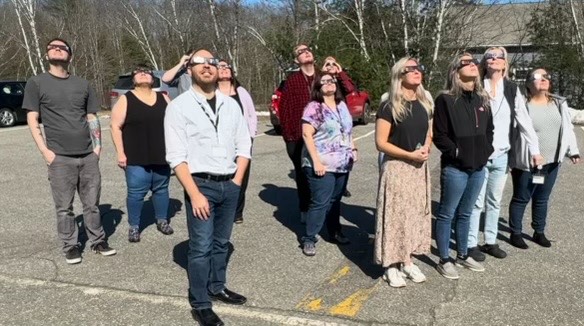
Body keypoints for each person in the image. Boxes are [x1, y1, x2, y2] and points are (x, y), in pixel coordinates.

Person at [164, 49, 251, 326]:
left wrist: (237, 181)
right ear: (189, 70)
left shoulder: (231, 104)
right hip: (200, 184)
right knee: (200, 247)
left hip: (229, 184)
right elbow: (176, 156)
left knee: (222, 242)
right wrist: (194, 193)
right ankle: (200, 302)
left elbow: (244, 145)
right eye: (199, 63)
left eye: (212, 62)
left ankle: (217, 286)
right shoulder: (179, 107)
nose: (207, 66)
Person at [23, 38, 116, 264]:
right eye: (52, 47)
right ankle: (71, 245)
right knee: (64, 208)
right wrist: (46, 152)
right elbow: (32, 118)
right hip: (59, 157)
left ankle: (98, 241)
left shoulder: (82, 84)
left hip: (88, 155)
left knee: (92, 204)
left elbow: (91, 116)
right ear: (47, 55)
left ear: (70, 56)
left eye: (62, 47)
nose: (57, 49)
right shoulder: (36, 83)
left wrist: (98, 147)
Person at [467, 47, 543, 262]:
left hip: (502, 155)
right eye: (488, 56)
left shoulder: (511, 89)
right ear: (484, 62)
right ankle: (471, 243)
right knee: (476, 202)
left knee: (494, 201)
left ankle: (490, 241)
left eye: (497, 56)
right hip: (479, 155)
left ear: (504, 63)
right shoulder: (476, 85)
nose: (493, 59)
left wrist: (535, 151)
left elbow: (524, 122)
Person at [433, 53, 493, 280]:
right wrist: (456, 152)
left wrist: (486, 150)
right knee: (447, 213)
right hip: (456, 168)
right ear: (455, 71)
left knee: (466, 213)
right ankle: (444, 259)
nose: (472, 65)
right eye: (465, 63)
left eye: (474, 62)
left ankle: (463, 254)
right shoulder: (445, 99)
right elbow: (440, 135)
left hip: (478, 167)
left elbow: (490, 130)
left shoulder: (482, 98)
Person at [374, 58, 433, 287]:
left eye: (419, 68)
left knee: (412, 216)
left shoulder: (424, 103)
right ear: (400, 74)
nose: (417, 72)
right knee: (395, 217)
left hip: (418, 168)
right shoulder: (390, 105)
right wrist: (409, 155)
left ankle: (407, 260)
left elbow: (430, 132)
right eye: (411, 69)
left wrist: (427, 147)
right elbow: (380, 143)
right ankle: (390, 264)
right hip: (397, 167)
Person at [508, 68, 580, 249]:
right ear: (528, 83)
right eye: (537, 77)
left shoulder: (558, 103)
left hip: (552, 161)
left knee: (542, 198)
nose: (543, 79)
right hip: (527, 161)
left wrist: (573, 151)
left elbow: (567, 128)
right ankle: (515, 233)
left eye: (546, 76)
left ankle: (539, 231)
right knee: (521, 197)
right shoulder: (522, 104)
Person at [110, 64, 174, 243]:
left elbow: (175, 124)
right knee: (136, 193)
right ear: (134, 80)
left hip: (161, 155)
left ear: (153, 79)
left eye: (147, 72)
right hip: (136, 156)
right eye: (138, 72)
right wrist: (120, 153)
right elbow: (115, 126)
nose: (143, 74)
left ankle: (162, 220)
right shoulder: (126, 99)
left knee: (161, 190)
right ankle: (134, 226)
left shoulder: (164, 98)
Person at [300, 72, 356, 256]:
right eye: (324, 81)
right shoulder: (314, 107)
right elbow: (307, 134)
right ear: (318, 87)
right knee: (320, 202)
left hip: (342, 163)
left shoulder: (342, 105)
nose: (329, 83)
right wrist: (316, 161)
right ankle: (309, 238)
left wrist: (353, 149)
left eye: (331, 80)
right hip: (321, 163)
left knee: (335, 200)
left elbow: (347, 131)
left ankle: (334, 232)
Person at [216, 59, 258, 224]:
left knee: (242, 176)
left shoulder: (241, 91)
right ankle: (221, 208)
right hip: (220, 143)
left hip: (242, 142)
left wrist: (251, 136)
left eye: (227, 67)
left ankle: (237, 212)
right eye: (220, 67)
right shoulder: (212, 92)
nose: (225, 69)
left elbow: (251, 114)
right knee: (223, 175)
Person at [279, 44, 316, 224]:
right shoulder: (292, 81)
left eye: (307, 49)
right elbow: (285, 110)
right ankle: (305, 208)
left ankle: (322, 210)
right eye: (301, 52)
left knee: (324, 175)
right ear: (296, 60)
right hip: (298, 137)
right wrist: (290, 137)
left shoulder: (324, 78)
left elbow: (342, 96)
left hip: (323, 137)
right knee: (303, 175)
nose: (306, 52)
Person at [321, 56, 356, 198]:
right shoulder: (322, 81)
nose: (330, 66)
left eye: (333, 63)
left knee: (344, 152)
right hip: (327, 121)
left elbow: (350, 89)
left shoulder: (340, 81)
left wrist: (340, 73)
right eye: (327, 64)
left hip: (341, 120)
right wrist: (322, 73)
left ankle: (342, 184)